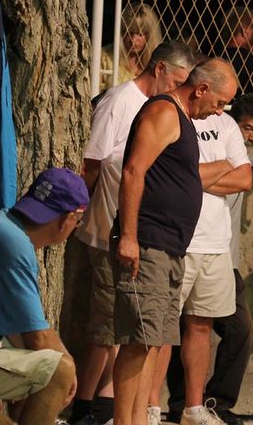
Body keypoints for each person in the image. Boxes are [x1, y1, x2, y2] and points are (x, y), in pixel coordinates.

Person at [69, 40, 197, 425]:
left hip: (144, 235)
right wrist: (77, 214)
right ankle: (89, 410)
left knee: (135, 333)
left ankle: (118, 410)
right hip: (114, 230)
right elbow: (95, 163)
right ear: (159, 69)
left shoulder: (166, 110)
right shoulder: (120, 102)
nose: (180, 90)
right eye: (177, 81)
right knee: (113, 329)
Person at [111, 58, 238, 425]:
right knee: (137, 341)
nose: (220, 111)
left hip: (171, 246)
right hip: (148, 241)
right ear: (201, 89)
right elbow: (133, 171)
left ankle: (138, 419)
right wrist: (129, 236)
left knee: (152, 341)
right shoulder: (164, 112)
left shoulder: (183, 119)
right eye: (219, 102)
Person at [162, 94, 253, 425]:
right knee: (176, 328)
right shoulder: (204, 135)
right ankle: (179, 404)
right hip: (187, 245)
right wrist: (217, 174)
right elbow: (186, 177)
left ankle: (215, 402)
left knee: (239, 329)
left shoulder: (248, 147)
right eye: (248, 128)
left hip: (224, 256)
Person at [0, 168, 88, 425]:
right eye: (78, 221)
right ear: (67, 219)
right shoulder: (13, 244)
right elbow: (37, 337)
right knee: (59, 370)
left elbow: (17, 328)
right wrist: (70, 369)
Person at [99, 2, 163, 91]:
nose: (133, 40)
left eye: (140, 34)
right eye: (129, 33)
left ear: (150, 36)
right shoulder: (104, 57)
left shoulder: (158, 64)